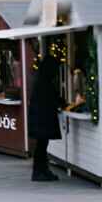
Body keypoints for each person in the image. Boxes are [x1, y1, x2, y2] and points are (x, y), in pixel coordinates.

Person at [29, 52, 63, 182]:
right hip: (42, 119)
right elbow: (52, 98)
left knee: (41, 145)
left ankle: (41, 170)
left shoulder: (40, 79)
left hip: (39, 119)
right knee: (42, 145)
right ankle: (40, 171)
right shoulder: (45, 82)